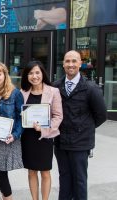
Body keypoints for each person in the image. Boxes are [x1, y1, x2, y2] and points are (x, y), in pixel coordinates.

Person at [53, 50, 107, 200]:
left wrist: (84, 128)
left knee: (79, 181)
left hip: (80, 144)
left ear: (80, 64)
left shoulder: (91, 88)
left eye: (74, 61)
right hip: (60, 143)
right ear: (63, 64)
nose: (71, 64)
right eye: (67, 61)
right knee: (64, 179)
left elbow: (101, 116)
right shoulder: (55, 87)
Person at [20, 61, 63, 200]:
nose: (34, 76)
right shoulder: (22, 93)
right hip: (27, 137)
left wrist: (44, 128)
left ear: (42, 73)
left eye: (37, 72)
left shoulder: (53, 91)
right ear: (27, 76)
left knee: (45, 172)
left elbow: (58, 116)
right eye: (31, 73)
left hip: (44, 137)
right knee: (31, 171)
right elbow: (17, 113)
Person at [0, 62, 24, 200]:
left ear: (5, 75)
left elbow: (21, 118)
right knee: (1, 173)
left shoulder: (15, 93)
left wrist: (15, 135)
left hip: (7, 140)